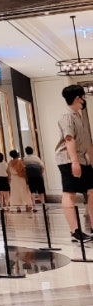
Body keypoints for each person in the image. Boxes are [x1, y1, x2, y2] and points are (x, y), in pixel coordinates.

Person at [55, 84, 93, 243]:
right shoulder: (67, 117)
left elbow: (87, 143)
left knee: (91, 191)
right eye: (83, 97)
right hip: (68, 159)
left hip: (82, 159)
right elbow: (69, 139)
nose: (84, 100)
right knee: (69, 192)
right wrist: (74, 163)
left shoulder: (79, 116)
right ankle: (75, 231)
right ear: (78, 98)